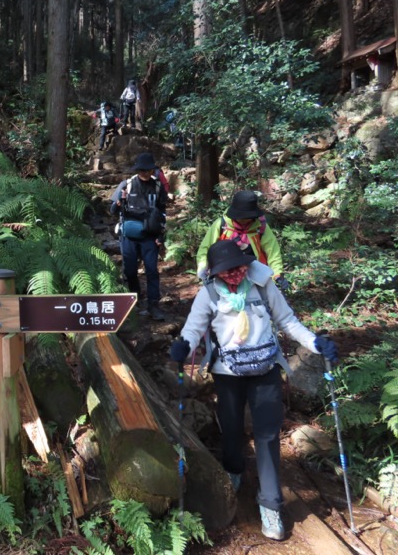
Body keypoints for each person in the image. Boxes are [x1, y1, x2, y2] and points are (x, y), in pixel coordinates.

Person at [169, 240, 339, 541]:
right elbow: (194, 328)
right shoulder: (207, 293)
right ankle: (233, 470)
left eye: (238, 268)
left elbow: (287, 320)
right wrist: (184, 345)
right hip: (227, 373)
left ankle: (271, 503)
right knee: (231, 427)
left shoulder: (262, 285)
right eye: (227, 271)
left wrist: (315, 343)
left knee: (268, 434)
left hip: (265, 370)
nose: (235, 274)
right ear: (215, 273)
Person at [110, 152, 168, 320]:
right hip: (129, 235)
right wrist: (118, 202)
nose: (144, 173)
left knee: (152, 271)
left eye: (148, 170)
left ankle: (153, 304)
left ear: (152, 170)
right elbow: (112, 210)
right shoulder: (126, 185)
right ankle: (133, 300)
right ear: (137, 170)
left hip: (150, 235)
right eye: (142, 170)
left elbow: (162, 212)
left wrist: (161, 236)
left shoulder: (157, 187)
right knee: (130, 271)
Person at [196, 190, 288, 291]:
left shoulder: (260, 227)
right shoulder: (221, 225)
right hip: (225, 275)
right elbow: (205, 249)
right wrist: (203, 270)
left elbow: (273, 253)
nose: (243, 220)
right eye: (240, 217)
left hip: (255, 277)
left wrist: (277, 274)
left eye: (247, 217)